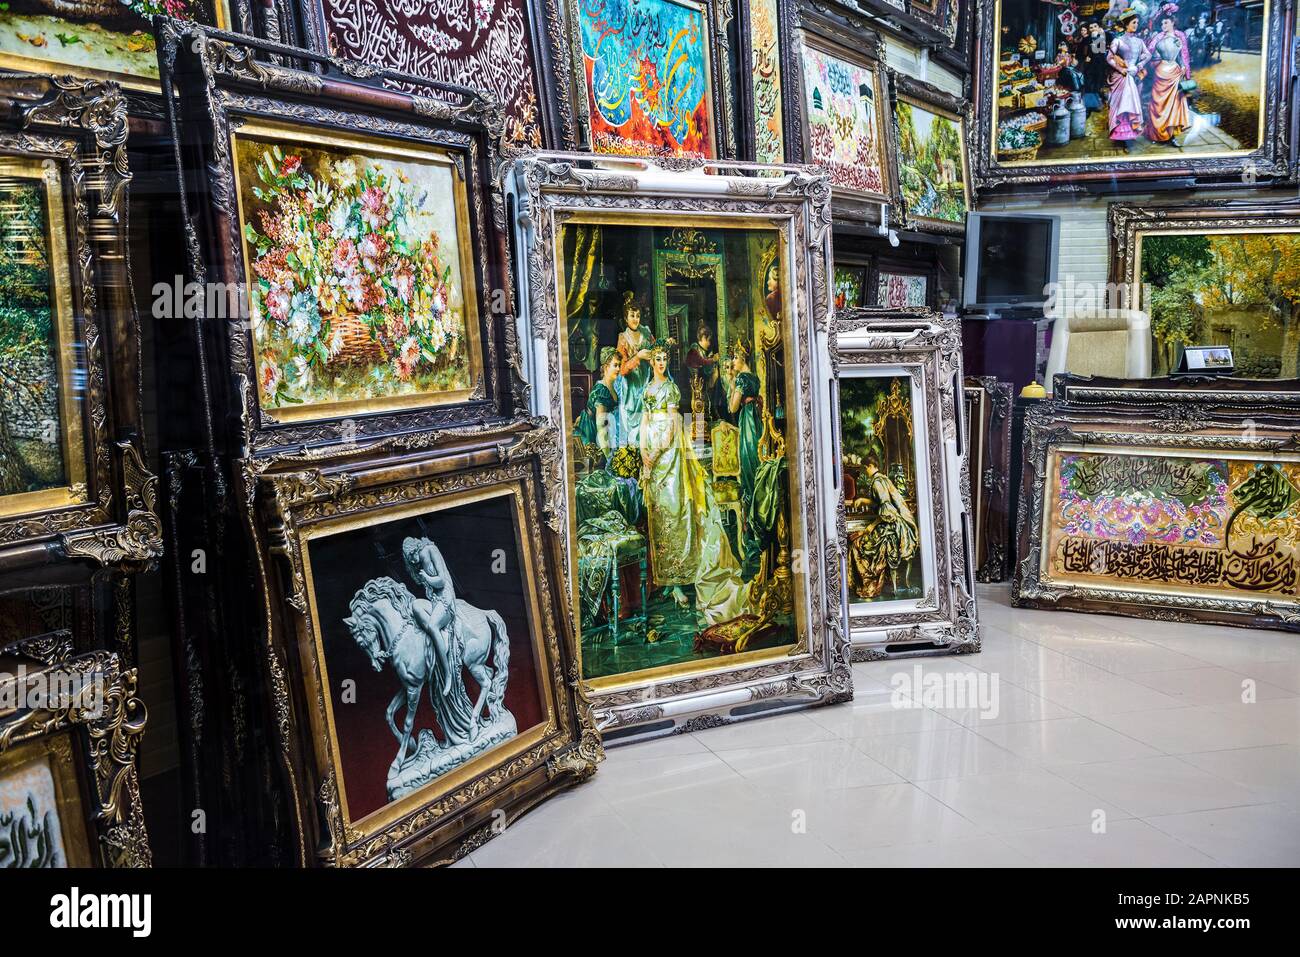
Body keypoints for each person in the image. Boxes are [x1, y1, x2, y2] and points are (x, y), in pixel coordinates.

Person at [639, 345, 749, 622]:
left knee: (678, 512)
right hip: (651, 450)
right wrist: (643, 452)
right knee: (660, 514)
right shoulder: (647, 389)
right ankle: (667, 581)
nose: (662, 363)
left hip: (669, 453)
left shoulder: (672, 390)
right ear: (652, 362)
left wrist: (657, 451)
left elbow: (675, 424)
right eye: (658, 359)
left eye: (664, 359)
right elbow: (643, 421)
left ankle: (681, 578)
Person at [847, 455, 920, 601]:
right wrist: (862, 500)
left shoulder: (877, 483)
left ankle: (868, 585)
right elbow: (881, 502)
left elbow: (887, 511)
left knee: (857, 544)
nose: (864, 471)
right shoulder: (882, 479)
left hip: (891, 526)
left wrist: (871, 526)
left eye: (864, 468)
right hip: (894, 523)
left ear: (869, 466)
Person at [727, 339, 763, 579]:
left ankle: (752, 542)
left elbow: (732, 407)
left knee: (748, 472)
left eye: (735, 359)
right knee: (754, 468)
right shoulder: (755, 378)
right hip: (755, 420)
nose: (733, 362)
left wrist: (730, 381)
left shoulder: (741, 379)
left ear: (742, 359)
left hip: (747, 423)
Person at [612, 291, 653, 449]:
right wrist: (638, 357)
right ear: (625, 318)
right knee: (632, 425)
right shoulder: (623, 338)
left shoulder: (646, 333)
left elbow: (655, 352)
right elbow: (622, 369)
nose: (635, 319)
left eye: (637, 315)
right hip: (630, 388)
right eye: (632, 315)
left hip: (645, 383)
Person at [1146, 9, 1192, 144]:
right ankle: (1155, 134)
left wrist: (1183, 67)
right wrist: (1156, 63)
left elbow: (1182, 55)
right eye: (1162, 24)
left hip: (1175, 74)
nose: (1163, 26)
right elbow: (1150, 55)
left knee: (1174, 106)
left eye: (1166, 23)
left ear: (1172, 23)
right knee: (1158, 105)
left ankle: (1171, 136)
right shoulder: (1157, 37)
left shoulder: (1179, 37)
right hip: (1160, 73)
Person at [1107, 11, 1151, 151]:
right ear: (1126, 24)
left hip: (1134, 76)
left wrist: (1139, 66)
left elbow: (1148, 55)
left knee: (1131, 106)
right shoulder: (1118, 40)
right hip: (1122, 77)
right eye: (1133, 23)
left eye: (1137, 23)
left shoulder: (1139, 41)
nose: (1136, 25)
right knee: (1121, 105)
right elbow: (1109, 58)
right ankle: (1120, 137)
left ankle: (1129, 136)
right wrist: (1121, 70)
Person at [574, 347, 621, 455]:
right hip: (591, 433)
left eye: (619, 365)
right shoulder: (601, 391)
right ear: (605, 367)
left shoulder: (613, 386)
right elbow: (601, 428)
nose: (618, 369)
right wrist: (609, 457)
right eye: (615, 365)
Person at [684, 323, 724, 421]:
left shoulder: (701, 352)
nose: (709, 344)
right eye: (709, 340)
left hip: (697, 387)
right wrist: (713, 360)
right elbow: (700, 361)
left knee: (700, 412)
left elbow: (705, 367)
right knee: (690, 413)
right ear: (703, 338)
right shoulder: (694, 349)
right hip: (689, 387)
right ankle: (690, 434)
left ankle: (701, 434)